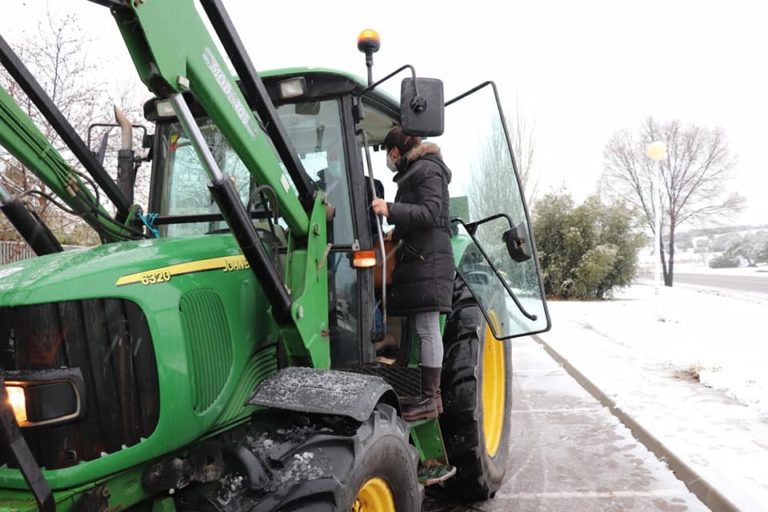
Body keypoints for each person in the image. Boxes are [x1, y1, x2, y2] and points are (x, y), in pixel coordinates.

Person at [371, 126, 454, 421]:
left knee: (428, 328)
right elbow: (417, 215)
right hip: (421, 257)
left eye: (388, 153)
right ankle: (429, 397)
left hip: (429, 260)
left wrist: (390, 209)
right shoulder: (416, 171)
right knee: (423, 329)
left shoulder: (428, 169)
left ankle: (430, 398)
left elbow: (430, 212)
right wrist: (396, 231)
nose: (389, 159)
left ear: (395, 151)